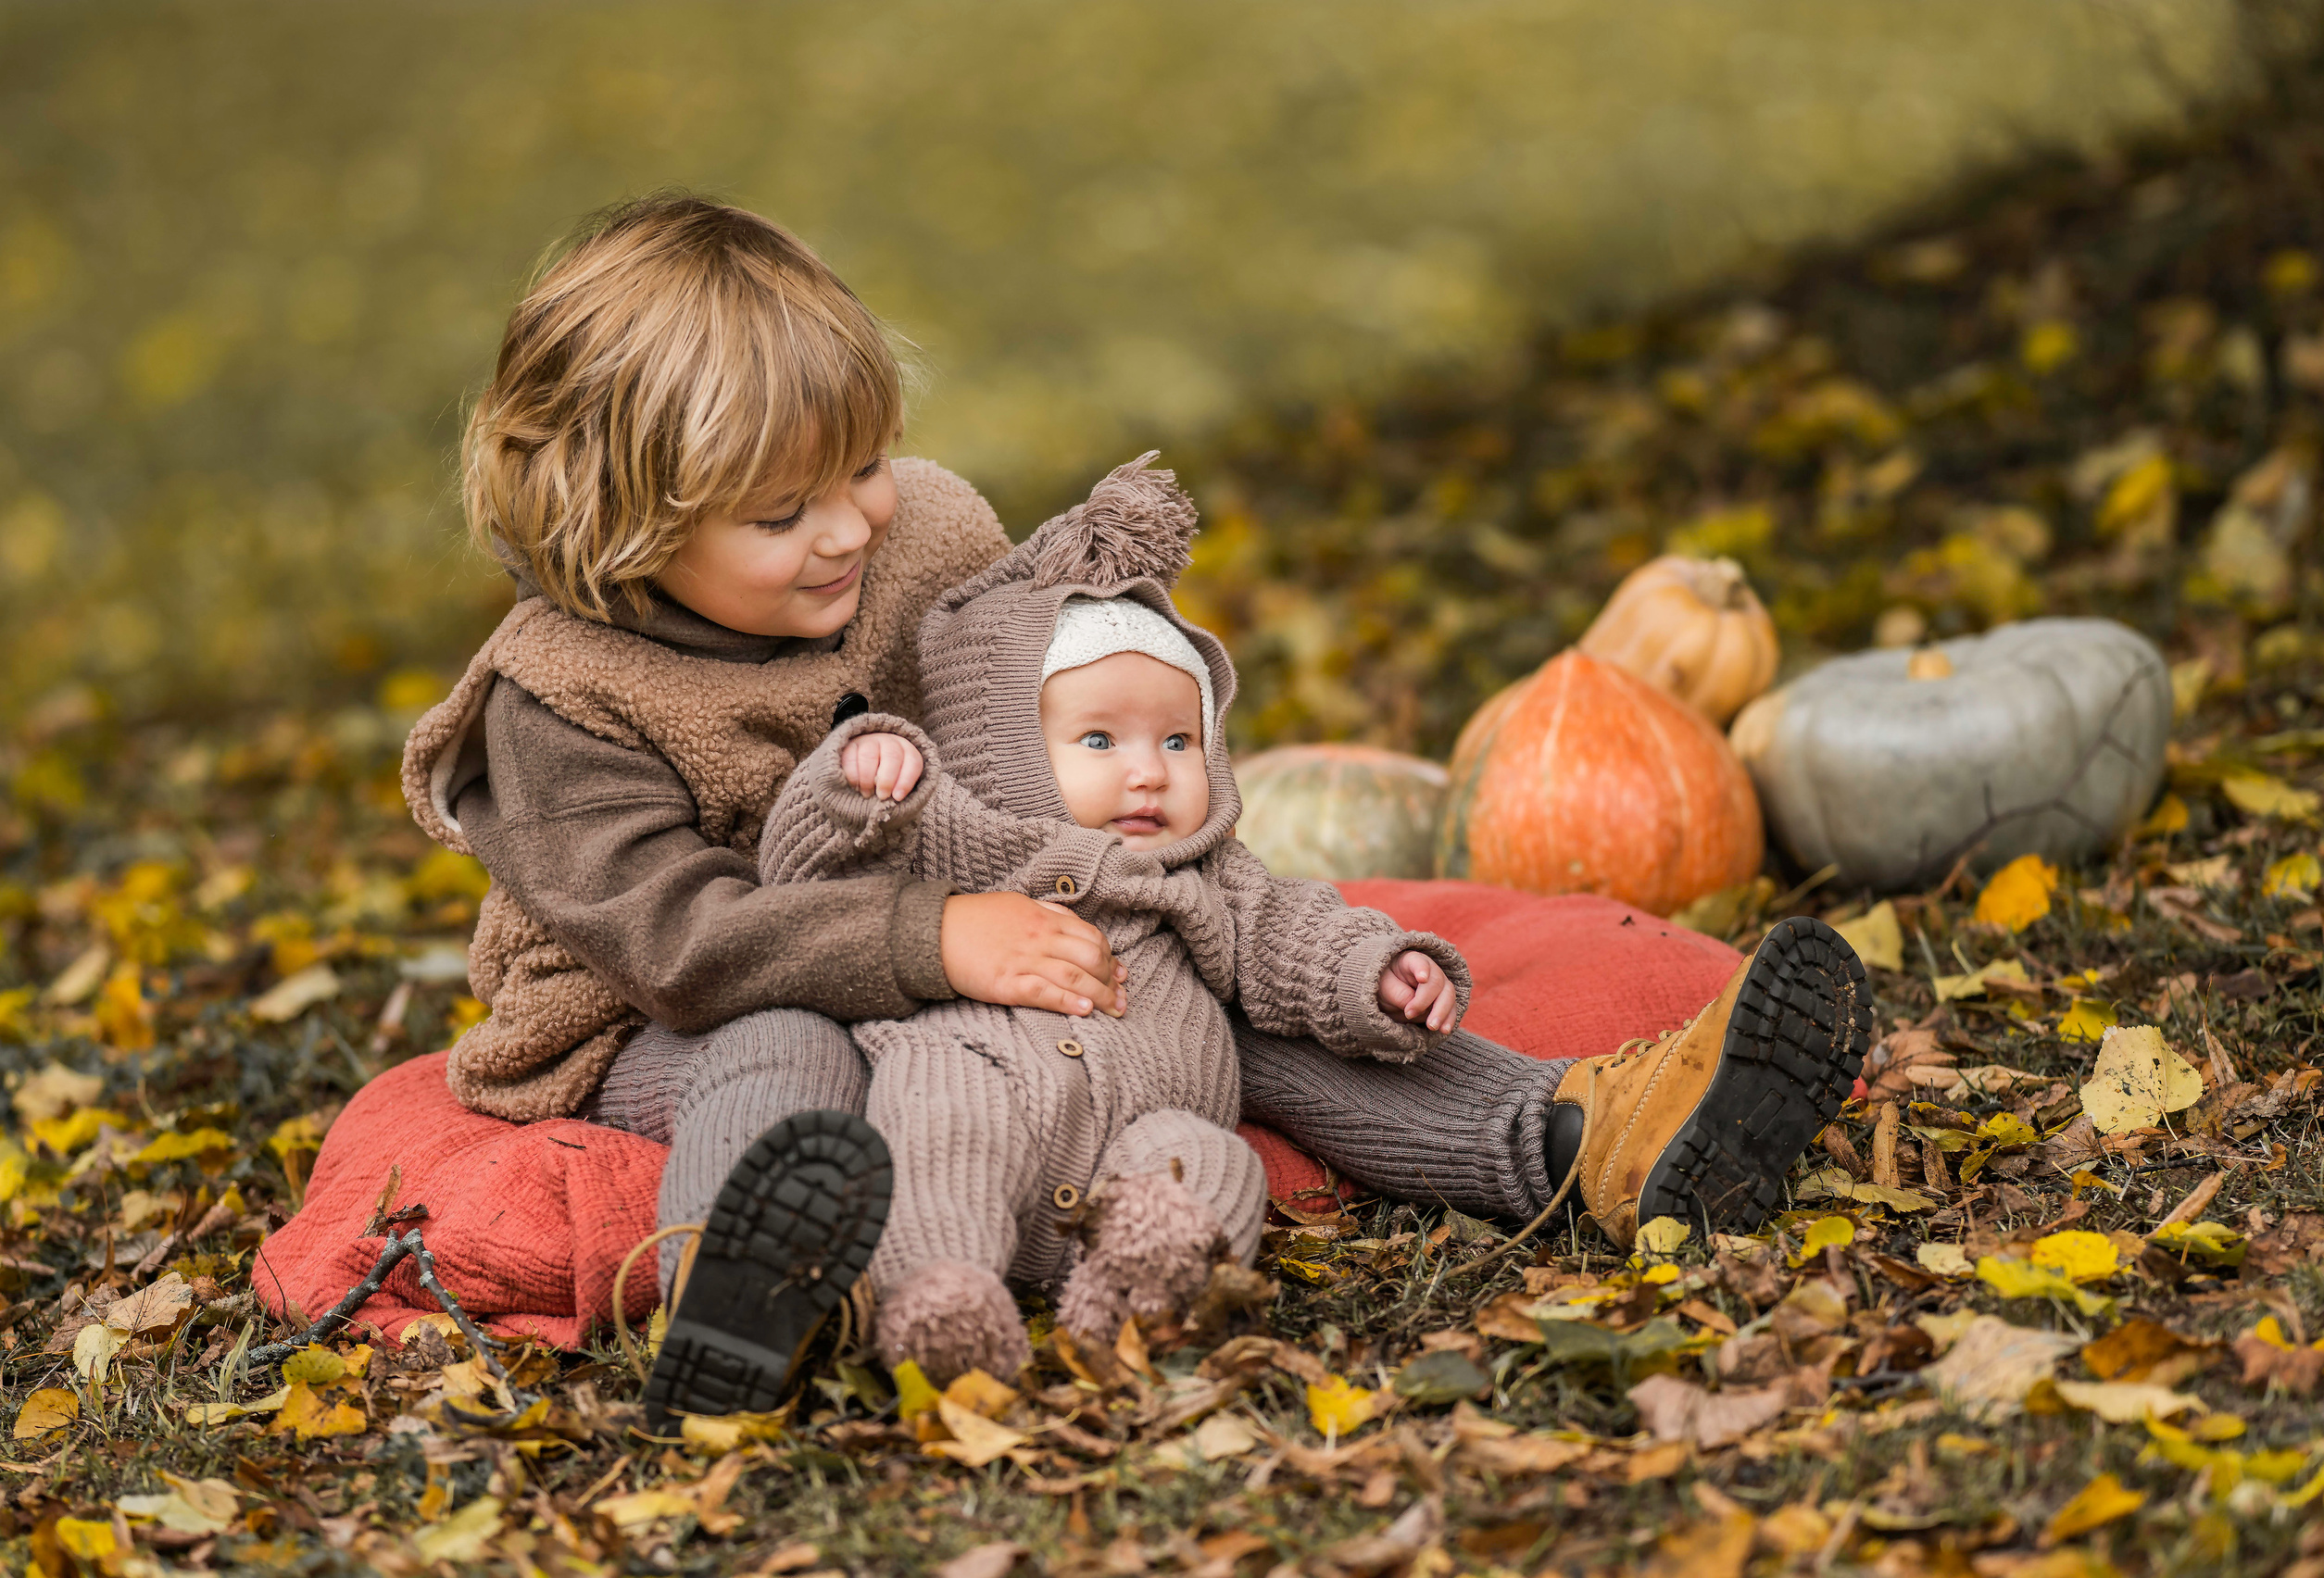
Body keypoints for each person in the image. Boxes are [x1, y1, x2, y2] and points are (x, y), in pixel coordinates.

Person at [399, 194, 1871, 1426]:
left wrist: (1176, 876)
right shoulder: (561, 701)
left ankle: (1582, 1139)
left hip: (978, 942)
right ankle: (752, 1290)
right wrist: (939, 939)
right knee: (779, 1049)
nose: (851, 523)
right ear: (623, 524)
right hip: (665, 1018)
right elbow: (679, 943)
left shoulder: (923, 540)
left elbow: (1037, 718)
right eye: (783, 514)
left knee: (1200, 991)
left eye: (859, 465)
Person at [759, 456, 1468, 1384]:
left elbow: (1293, 930)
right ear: (1002, 747)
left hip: (1145, 1129)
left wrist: (1373, 971)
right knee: (936, 1125)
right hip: (984, 1093)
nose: (1148, 772)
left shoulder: (1202, 870)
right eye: (1100, 740)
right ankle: (943, 1298)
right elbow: (804, 884)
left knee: (1210, 1163)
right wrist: (853, 785)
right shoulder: (951, 833)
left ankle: (1134, 1302)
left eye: (1177, 741)